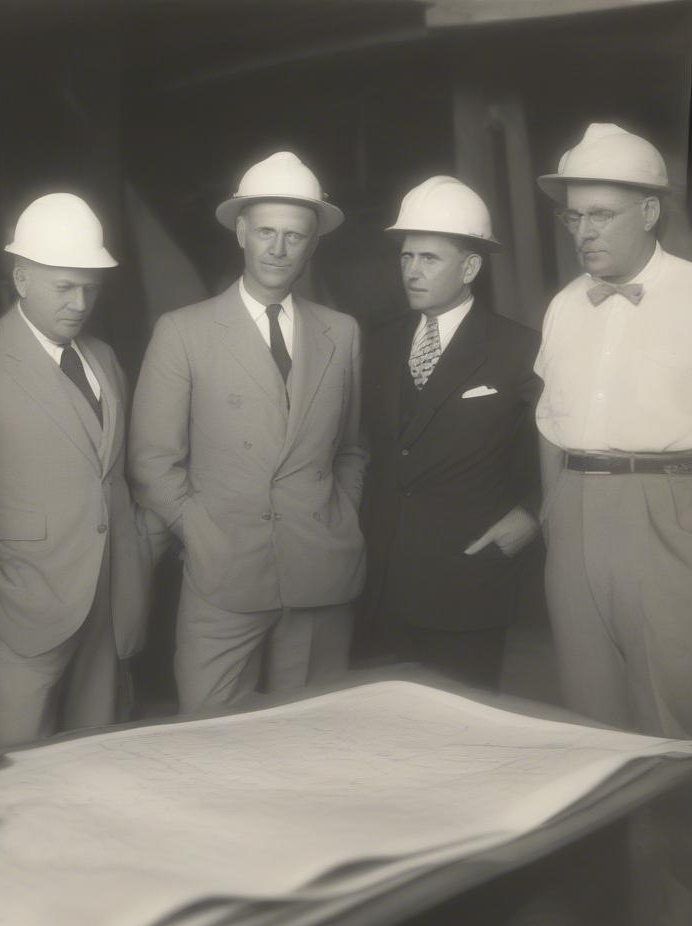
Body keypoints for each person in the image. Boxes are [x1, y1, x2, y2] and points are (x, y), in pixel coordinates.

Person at [0, 193, 159, 750]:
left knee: (97, 762)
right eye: (64, 287)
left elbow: (113, 478)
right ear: (22, 279)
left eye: (90, 288)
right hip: (16, 613)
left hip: (105, 604)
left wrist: (137, 558)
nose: (80, 303)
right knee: (14, 773)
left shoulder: (103, 358)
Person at [129, 151, 367, 712]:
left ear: (314, 243)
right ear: (241, 232)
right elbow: (152, 462)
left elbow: (353, 448)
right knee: (210, 739)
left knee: (309, 741)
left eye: (294, 236)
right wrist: (201, 534)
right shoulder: (182, 332)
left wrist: (340, 516)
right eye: (266, 232)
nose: (279, 249)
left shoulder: (343, 332)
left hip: (320, 569)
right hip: (223, 572)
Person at [535, 122, 692, 737]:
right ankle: (610, 833)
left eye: (601, 215)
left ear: (649, 211)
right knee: (587, 712)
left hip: (666, 506)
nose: (585, 232)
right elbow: (549, 420)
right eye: (574, 218)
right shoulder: (565, 304)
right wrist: (553, 508)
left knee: (671, 706)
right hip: (575, 508)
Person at [359, 176, 541, 687]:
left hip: (470, 579)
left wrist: (533, 515)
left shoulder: (518, 348)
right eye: (406, 257)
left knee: (466, 735)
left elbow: (554, 447)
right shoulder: (380, 342)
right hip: (386, 580)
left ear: (470, 267)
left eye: (429, 259)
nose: (412, 272)